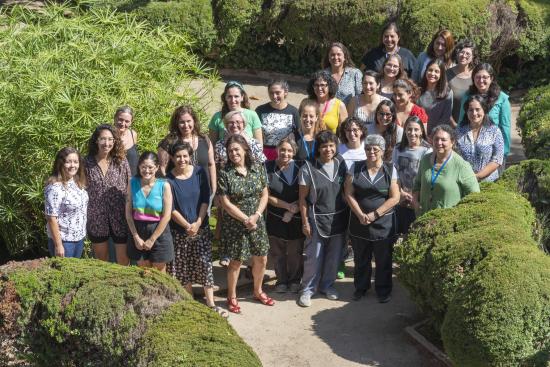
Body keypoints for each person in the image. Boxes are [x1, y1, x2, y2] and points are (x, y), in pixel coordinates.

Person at [167, 143, 227, 317]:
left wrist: (198, 222)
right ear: (172, 158)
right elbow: (170, 208)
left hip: (201, 228)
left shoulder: (200, 172)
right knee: (182, 267)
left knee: (205, 265)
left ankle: (211, 303)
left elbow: (204, 199)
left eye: (185, 156)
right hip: (180, 231)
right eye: (178, 156)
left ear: (190, 156)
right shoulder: (168, 180)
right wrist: (187, 226)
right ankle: (190, 302)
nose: (182, 159)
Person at [217, 134, 272, 313]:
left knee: (261, 258)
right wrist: (245, 219)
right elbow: (225, 203)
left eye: (236, 150)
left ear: (245, 150)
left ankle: (258, 290)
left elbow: (264, 194)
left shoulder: (257, 168)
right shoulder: (225, 173)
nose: (233, 153)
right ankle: (231, 297)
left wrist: (256, 215)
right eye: (230, 151)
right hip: (236, 224)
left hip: (257, 221)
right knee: (235, 262)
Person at [344, 134, 400, 303]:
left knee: (383, 259)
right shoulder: (355, 167)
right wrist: (360, 214)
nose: (371, 152)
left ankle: (383, 290)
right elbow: (348, 193)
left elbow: (395, 197)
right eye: (368, 149)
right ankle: (360, 288)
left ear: (382, 151)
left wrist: (375, 214)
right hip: (359, 223)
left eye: (375, 149)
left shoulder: (390, 169)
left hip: (383, 224)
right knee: (361, 258)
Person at [298, 130, 349, 307]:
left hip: (338, 218)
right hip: (316, 219)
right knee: (315, 257)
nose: (328, 149)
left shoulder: (341, 163)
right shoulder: (308, 168)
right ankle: (307, 290)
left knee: (334, 257)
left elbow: (347, 191)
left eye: (331, 145)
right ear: (318, 149)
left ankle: (327, 286)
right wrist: (305, 221)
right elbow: (302, 199)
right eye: (324, 146)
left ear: (336, 147)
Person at [85, 124, 130, 265]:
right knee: (101, 261)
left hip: (120, 216)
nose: (107, 143)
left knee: (123, 260)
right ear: (96, 141)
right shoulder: (86, 162)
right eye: (103, 139)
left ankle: (126, 286)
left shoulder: (121, 161)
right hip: (96, 217)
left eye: (110, 139)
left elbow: (130, 186)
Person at [413, 125, 480, 215]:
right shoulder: (425, 160)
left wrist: (459, 214)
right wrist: (415, 202)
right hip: (423, 219)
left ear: (452, 142)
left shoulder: (462, 166)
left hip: (447, 223)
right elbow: (417, 184)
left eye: (443, 140)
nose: (439, 143)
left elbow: (475, 196)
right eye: (436, 139)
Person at [265, 137, 304, 293]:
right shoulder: (267, 167)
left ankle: (295, 280)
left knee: (295, 252)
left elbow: (306, 192)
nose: (285, 153)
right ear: (276, 150)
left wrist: (293, 209)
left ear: (294, 152)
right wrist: (287, 206)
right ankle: (281, 281)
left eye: (289, 150)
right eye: (282, 150)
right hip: (275, 217)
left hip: (296, 216)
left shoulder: (301, 167)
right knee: (278, 252)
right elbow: (266, 195)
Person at [126, 152, 173, 273]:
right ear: (139, 167)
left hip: (159, 231)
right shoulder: (132, 183)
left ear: (157, 167)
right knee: (144, 271)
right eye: (143, 167)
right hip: (138, 229)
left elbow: (167, 216)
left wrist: (152, 239)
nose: (147, 170)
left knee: (160, 273)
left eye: (150, 167)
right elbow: (128, 213)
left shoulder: (164, 185)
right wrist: (136, 237)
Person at [458, 63, 511, 168]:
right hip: (470, 149)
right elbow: (461, 122)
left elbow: (505, 127)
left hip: (493, 151)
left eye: (485, 77)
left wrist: (503, 153)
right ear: (473, 79)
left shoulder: (502, 98)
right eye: (477, 77)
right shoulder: (467, 96)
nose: (481, 80)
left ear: (491, 78)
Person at [157, 105, 216, 197]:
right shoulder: (170, 142)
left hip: (204, 192)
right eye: (182, 122)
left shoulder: (204, 139)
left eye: (189, 121)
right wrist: (170, 189)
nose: (186, 125)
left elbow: (211, 164)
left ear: (194, 121)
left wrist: (214, 188)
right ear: (176, 123)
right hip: (179, 193)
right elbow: (162, 168)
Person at [44, 147, 88, 258]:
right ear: (60, 164)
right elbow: (51, 218)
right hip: (64, 241)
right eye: (68, 162)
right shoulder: (54, 187)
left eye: (76, 162)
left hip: (78, 238)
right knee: (63, 274)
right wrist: (58, 245)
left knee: (74, 273)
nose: (73, 165)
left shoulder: (77, 182)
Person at [392, 116, 432, 234]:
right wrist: (401, 192)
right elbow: (394, 172)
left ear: (421, 131)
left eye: (416, 129)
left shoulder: (427, 150)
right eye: (409, 129)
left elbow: (426, 176)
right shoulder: (398, 148)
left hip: (418, 199)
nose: (412, 133)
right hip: (400, 197)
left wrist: (414, 196)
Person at [456, 95, 504, 182]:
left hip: (489, 183)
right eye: (471, 110)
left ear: (484, 110)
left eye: (477, 109)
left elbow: (497, 159)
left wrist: (478, 176)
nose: (474, 113)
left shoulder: (494, 131)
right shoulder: (459, 132)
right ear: (466, 112)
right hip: (464, 181)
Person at [255, 80, 300, 160]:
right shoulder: (260, 110)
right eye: (271, 93)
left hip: (285, 154)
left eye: (278, 93)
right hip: (265, 154)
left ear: (285, 92)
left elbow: (298, 134)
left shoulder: (293, 111)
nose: (274, 96)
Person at [208, 80, 263, 145]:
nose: (233, 100)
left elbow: (259, 145)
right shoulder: (217, 117)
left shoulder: (252, 115)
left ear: (242, 97)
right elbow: (212, 145)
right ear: (225, 97)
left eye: (236, 96)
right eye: (229, 96)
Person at [447, 39, 479, 126]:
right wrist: (453, 124)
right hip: (451, 125)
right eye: (461, 52)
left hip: (472, 124)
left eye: (468, 54)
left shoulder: (476, 75)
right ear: (457, 53)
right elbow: (443, 102)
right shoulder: (447, 74)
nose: (464, 55)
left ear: (473, 57)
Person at [418, 59, 453, 135]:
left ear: (441, 74)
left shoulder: (447, 92)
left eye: (436, 71)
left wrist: (433, 135)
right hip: (418, 133)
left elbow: (445, 118)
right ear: (426, 71)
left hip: (436, 136)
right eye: (430, 70)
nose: (432, 73)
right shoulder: (418, 89)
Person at [113, 106, 139, 176]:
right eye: (120, 119)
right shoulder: (109, 136)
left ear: (131, 122)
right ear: (115, 118)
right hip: (116, 181)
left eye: (127, 121)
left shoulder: (133, 134)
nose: (123, 124)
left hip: (133, 180)